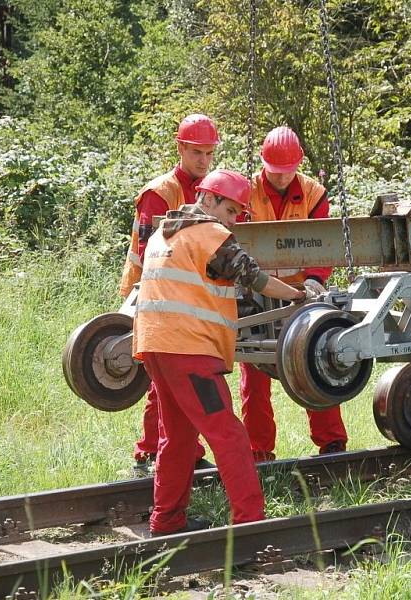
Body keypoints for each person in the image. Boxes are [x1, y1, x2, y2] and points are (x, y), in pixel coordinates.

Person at [133, 169, 310, 536]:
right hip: (189, 350)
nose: (233, 221)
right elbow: (255, 279)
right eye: (231, 211)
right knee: (228, 434)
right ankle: (250, 523)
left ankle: (166, 521)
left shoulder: (164, 233)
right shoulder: (210, 236)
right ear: (209, 199)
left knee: (177, 437)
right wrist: (298, 295)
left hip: (154, 345)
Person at [239, 126, 348, 461]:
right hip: (254, 293)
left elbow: (325, 244)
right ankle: (259, 451)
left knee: (317, 361)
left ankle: (332, 443)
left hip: (303, 294)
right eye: (275, 172)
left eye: (288, 172)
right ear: (263, 164)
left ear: (298, 165)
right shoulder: (244, 191)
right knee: (254, 373)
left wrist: (315, 280)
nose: (282, 179)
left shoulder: (315, 194)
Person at [119, 114, 220, 475]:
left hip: (187, 296)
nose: (204, 161)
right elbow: (151, 255)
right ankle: (149, 453)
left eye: (209, 154)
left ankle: (182, 453)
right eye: (197, 153)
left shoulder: (211, 190)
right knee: (160, 380)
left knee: (182, 378)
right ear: (180, 149)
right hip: (152, 294)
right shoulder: (159, 193)